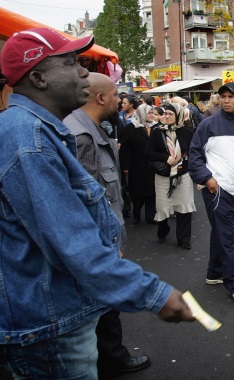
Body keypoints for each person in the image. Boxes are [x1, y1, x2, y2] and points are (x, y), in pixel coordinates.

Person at [0, 27, 193, 379]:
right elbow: (71, 242)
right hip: (50, 331)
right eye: (73, 63)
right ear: (39, 78)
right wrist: (155, 295)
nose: (85, 72)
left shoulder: (38, 131)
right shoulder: (29, 140)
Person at [64, 72, 152, 378]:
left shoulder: (86, 129)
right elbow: (85, 201)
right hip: (99, 242)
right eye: (115, 94)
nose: (120, 99)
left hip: (102, 238)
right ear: (101, 98)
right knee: (105, 303)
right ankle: (113, 359)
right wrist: (109, 245)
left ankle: (109, 358)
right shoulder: (81, 135)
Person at [189, 82, 234, 301]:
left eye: (231, 96)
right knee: (226, 235)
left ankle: (214, 272)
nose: (226, 100)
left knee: (222, 232)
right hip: (217, 188)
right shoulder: (208, 124)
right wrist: (207, 178)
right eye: (223, 96)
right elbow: (194, 155)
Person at [144, 103, 196, 250]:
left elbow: (193, 153)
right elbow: (148, 153)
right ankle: (163, 230)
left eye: (170, 114)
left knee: (184, 206)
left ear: (178, 116)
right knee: (162, 207)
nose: (166, 116)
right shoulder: (157, 132)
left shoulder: (187, 132)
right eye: (165, 113)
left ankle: (184, 239)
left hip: (182, 175)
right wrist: (165, 157)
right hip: (163, 176)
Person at [120, 96, 157, 225]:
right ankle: (136, 212)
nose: (152, 115)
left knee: (152, 192)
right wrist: (125, 165)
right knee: (137, 192)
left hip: (152, 165)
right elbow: (125, 148)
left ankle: (150, 215)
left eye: (153, 112)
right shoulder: (130, 129)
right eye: (149, 113)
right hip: (136, 165)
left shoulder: (156, 128)